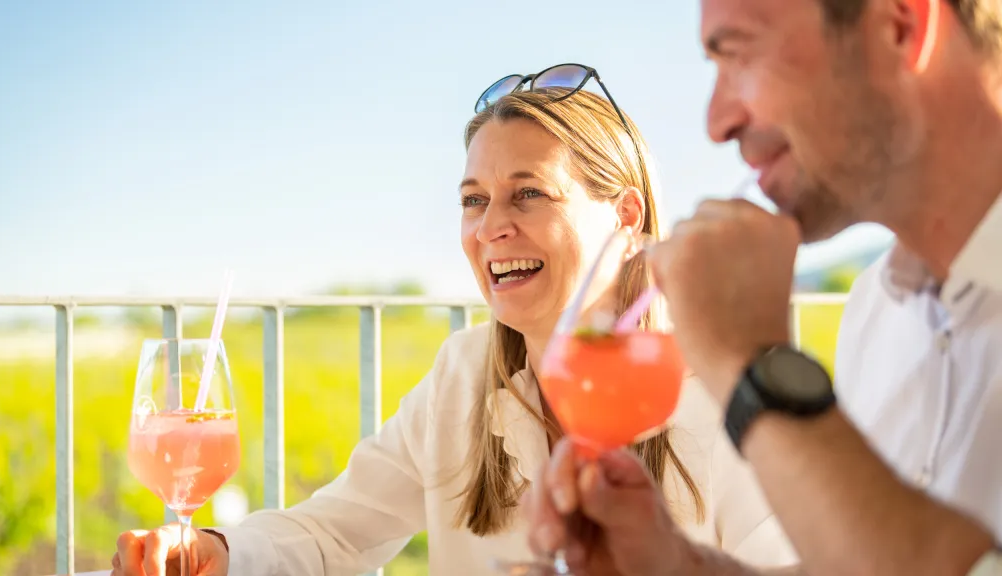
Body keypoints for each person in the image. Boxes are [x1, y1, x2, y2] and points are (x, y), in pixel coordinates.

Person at [109, 66, 799, 576]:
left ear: (625, 217)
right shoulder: (463, 375)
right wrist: (221, 551)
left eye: (528, 194)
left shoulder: (717, 391)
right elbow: (338, 533)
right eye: (474, 200)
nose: (490, 228)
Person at [524, 0, 1002, 574]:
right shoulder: (879, 309)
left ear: (899, 26)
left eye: (740, 55)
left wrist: (755, 367)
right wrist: (678, 566)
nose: (717, 123)